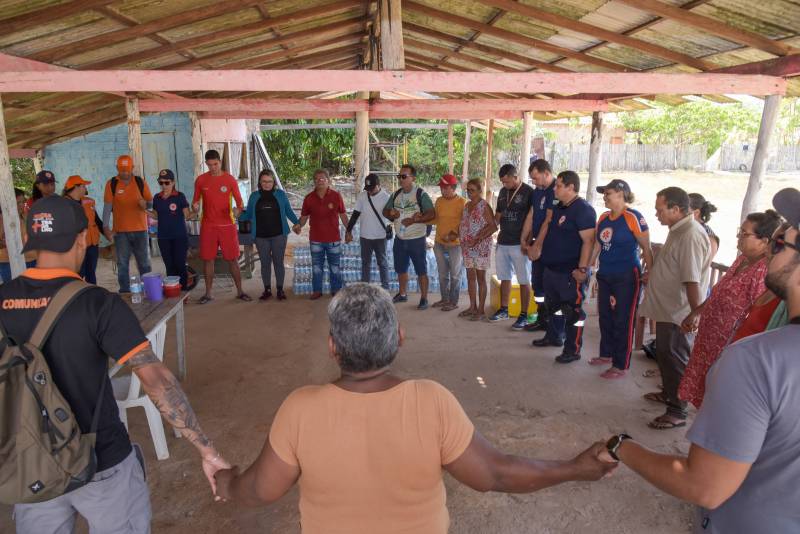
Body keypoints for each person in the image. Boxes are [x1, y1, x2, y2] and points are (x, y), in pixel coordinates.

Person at [212, 283, 617, 533]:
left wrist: (229, 481)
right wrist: (576, 468)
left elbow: (259, 491)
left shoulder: (299, 409)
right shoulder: (431, 400)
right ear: (400, 337)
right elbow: (494, 474)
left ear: (333, 347)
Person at [2, 196, 229, 534]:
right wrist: (205, 449)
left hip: (32, 465)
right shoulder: (97, 304)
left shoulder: (3, 299)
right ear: (82, 238)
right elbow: (154, 378)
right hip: (101, 460)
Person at [599, 187, 800, 534]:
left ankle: (675, 410)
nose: (771, 250)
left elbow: (703, 485)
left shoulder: (758, 360)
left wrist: (620, 446)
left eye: (781, 244)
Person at [677, 209, 781, 408]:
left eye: (745, 234)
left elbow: (756, 316)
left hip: (728, 346)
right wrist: (696, 312)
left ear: (765, 241)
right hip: (709, 339)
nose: (739, 237)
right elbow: (719, 292)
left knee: (719, 396)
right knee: (704, 392)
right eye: (739, 231)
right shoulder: (741, 260)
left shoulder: (762, 272)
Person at [638, 187, 711, 430]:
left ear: (676, 209)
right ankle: (670, 394)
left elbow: (691, 279)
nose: (656, 214)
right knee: (666, 355)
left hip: (678, 312)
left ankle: (678, 410)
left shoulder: (690, 234)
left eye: (660, 210)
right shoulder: (678, 230)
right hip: (668, 309)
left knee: (675, 357)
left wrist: (694, 313)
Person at [587, 180, 653, 379]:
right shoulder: (604, 217)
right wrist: (590, 266)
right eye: (604, 194)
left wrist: (650, 271)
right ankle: (606, 354)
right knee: (606, 316)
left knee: (623, 318)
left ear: (621, 195)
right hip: (606, 274)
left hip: (626, 275)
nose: (605, 197)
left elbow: (646, 248)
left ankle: (620, 364)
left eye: (609, 193)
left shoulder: (633, 217)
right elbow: (598, 245)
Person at [532, 171, 597, 364]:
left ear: (571, 187)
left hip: (570, 272)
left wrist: (583, 270)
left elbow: (589, 242)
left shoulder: (583, 210)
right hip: (552, 269)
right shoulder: (559, 207)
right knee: (555, 308)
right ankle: (554, 336)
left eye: (558, 185)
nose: (554, 189)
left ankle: (573, 349)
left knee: (573, 312)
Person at [192, 149, 249, 303]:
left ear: (220, 162)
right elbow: (195, 202)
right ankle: (208, 293)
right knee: (208, 259)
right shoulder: (201, 180)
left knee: (233, 259)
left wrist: (238, 210)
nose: (213, 168)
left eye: (215, 164)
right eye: (209, 165)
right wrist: (195, 207)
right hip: (208, 226)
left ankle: (240, 291)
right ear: (206, 164)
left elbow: (240, 202)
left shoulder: (230, 180)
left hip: (227, 226)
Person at [382, 164, 435, 310]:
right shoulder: (395, 194)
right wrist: (391, 213)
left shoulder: (420, 194)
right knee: (401, 269)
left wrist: (415, 220)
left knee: (421, 270)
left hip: (417, 239)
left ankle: (424, 298)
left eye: (404, 176)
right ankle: (402, 293)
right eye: (399, 176)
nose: (401, 179)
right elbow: (385, 211)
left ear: (413, 178)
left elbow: (431, 213)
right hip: (399, 239)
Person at [241, 169, 299, 300]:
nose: (267, 184)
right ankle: (267, 289)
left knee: (278, 262)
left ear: (274, 183)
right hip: (260, 237)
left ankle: (280, 289)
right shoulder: (254, 196)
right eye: (264, 181)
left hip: (279, 235)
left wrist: (297, 223)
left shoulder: (281, 195)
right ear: (259, 182)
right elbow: (248, 214)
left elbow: (289, 211)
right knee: (265, 263)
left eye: (270, 181)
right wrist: (238, 215)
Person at [489, 164, 535, 330]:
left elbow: (533, 219)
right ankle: (504, 309)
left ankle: (523, 314)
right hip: (502, 242)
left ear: (515, 177)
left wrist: (527, 242)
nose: (504, 185)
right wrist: (489, 227)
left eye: (507, 182)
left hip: (519, 244)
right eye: (502, 182)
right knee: (504, 277)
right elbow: (498, 215)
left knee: (524, 279)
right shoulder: (502, 192)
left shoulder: (529, 192)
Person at [294, 168, 349, 300]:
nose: (320, 181)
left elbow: (343, 215)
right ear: (314, 182)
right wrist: (298, 225)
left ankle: (336, 290)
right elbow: (304, 217)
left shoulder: (336, 196)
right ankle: (317, 290)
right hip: (316, 240)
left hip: (333, 239)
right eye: (317, 179)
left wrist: (349, 230)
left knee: (334, 268)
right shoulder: (309, 198)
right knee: (317, 267)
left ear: (328, 180)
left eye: (323, 178)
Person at [102, 155, 153, 293]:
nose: (124, 172)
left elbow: (151, 203)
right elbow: (107, 207)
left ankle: (148, 290)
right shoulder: (111, 184)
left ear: (132, 168)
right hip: (120, 232)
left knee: (144, 264)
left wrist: (145, 204)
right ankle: (125, 291)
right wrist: (105, 227)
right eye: (121, 170)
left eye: (127, 169)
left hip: (141, 231)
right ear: (117, 169)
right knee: (122, 264)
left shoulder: (140, 182)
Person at [522, 159, 559, 333]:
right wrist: (524, 239)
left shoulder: (557, 190)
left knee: (550, 285)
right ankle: (541, 318)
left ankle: (553, 324)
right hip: (536, 242)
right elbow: (532, 214)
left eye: (536, 178)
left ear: (546, 173)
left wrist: (537, 245)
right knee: (537, 283)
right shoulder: (538, 191)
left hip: (550, 245)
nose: (534, 182)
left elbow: (549, 219)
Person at [458, 178, 497, 321]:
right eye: (468, 190)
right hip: (467, 247)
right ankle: (472, 307)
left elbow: (493, 226)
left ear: (480, 191)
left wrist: (478, 238)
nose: (469, 193)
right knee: (470, 277)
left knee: (480, 278)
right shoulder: (467, 205)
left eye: (472, 190)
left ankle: (481, 310)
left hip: (481, 248)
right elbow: (464, 224)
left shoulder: (484, 206)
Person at [345, 173, 391, 291]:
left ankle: (385, 288)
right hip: (365, 236)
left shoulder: (386, 197)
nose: (369, 191)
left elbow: (392, 218)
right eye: (367, 189)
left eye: (372, 189)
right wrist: (348, 230)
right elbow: (355, 215)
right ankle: (365, 288)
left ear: (378, 185)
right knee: (365, 263)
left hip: (380, 236)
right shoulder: (362, 196)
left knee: (382, 262)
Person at [63, 175, 110, 284]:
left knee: (91, 273)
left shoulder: (89, 201)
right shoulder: (63, 204)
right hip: (75, 247)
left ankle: (92, 295)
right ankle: (77, 297)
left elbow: (97, 221)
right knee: (78, 274)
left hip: (92, 244)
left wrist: (108, 234)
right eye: (83, 186)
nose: (86, 188)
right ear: (76, 187)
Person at [150, 169, 191, 290]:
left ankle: (183, 292)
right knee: (169, 266)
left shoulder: (179, 196)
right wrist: (143, 211)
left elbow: (187, 215)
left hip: (179, 236)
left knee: (180, 264)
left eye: (167, 183)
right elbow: (157, 215)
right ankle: (173, 290)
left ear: (173, 182)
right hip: (163, 237)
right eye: (161, 183)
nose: (164, 185)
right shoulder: (157, 198)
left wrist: (195, 210)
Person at [431, 173, 466, 311]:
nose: (443, 190)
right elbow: (435, 219)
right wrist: (420, 219)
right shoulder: (439, 201)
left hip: (456, 244)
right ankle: (444, 299)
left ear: (453, 188)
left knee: (455, 274)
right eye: (441, 188)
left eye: (445, 188)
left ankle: (453, 301)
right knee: (442, 273)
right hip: (439, 242)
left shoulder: (462, 202)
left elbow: (465, 224)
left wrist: (454, 235)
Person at [0, 188, 38, 282]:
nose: (21, 205)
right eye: (18, 203)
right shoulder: (2, 219)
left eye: (23, 202)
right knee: (14, 292)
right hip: (8, 263)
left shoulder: (25, 215)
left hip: (31, 260)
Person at [689, 193, 719, 261]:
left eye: (684, 210)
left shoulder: (709, 237)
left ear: (696, 213)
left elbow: (703, 265)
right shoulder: (684, 229)